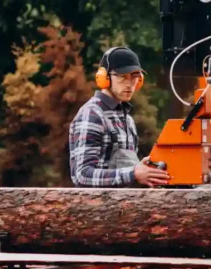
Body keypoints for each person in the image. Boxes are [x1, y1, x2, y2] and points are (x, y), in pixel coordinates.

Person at [68, 46, 170, 188]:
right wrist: (133, 174)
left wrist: (145, 172)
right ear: (104, 78)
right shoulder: (92, 114)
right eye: (122, 77)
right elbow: (82, 175)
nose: (129, 84)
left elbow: (126, 171)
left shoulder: (127, 120)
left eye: (134, 77)